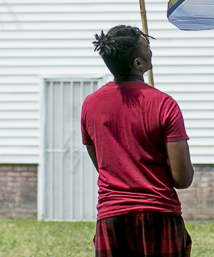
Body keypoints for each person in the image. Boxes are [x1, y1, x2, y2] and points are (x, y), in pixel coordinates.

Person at [82, 25, 194, 257]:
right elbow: (182, 179)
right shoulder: (164, 104)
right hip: (158, 214)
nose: (151, 49)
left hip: (111, 216)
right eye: (147, 46)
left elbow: (103, 165)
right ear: (138, 64)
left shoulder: (90, 105)